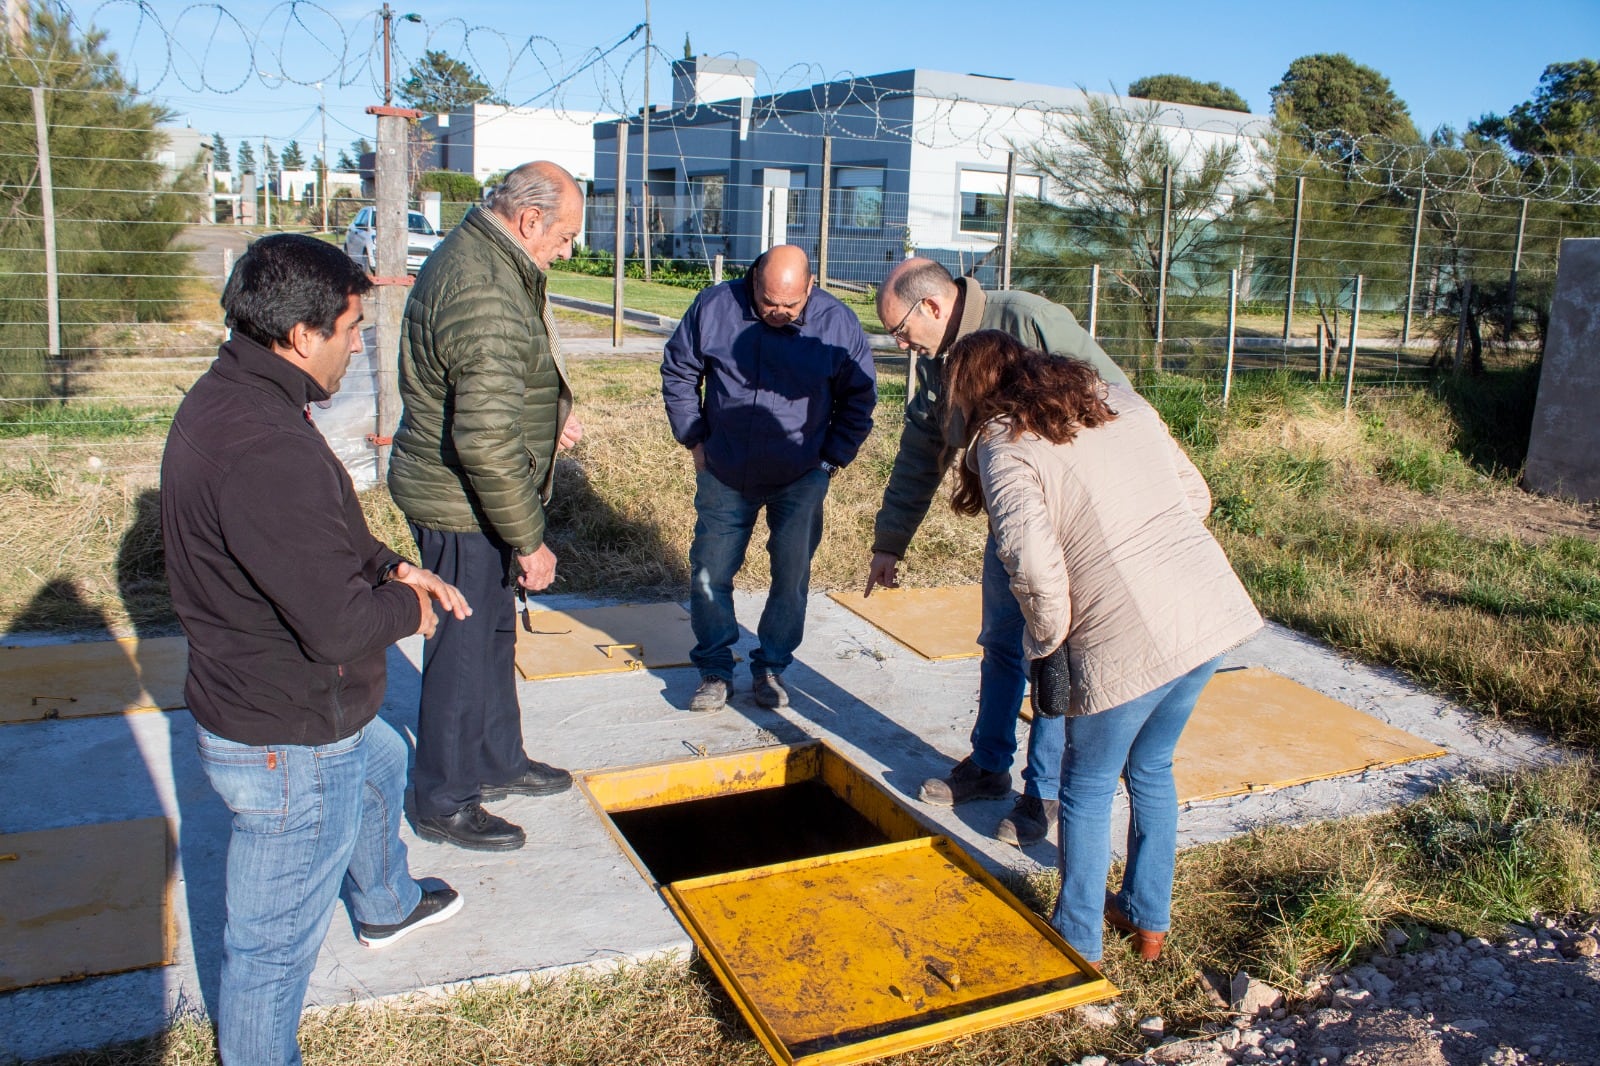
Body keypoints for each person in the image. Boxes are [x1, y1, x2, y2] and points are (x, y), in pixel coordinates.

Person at [161, 233, 471, 1065]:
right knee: (268, 952)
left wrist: (391, 563)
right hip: (286, 738)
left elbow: (321, 534)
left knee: (376, 760)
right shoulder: (267, 450)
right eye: (352, 330)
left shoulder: (236, 399)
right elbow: (337, 626)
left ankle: (387, 901)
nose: (358, 346)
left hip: (285, 709)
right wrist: (411, 609)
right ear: (301, 335)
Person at [942, 329, 1262, 968]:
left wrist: (1048, 640)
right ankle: (1147, 922)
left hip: (1126, 637)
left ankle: (1079, 936)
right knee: (1150, 769)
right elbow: (1194, 497)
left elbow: (1031, 566)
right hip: (1205, 613)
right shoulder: (1117, 400)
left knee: (1085, 786)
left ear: (974, 391)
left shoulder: (1007, 446)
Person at [866, 257, 1132, 847]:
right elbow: (920, 450)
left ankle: (1042, 796)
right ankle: (989, 767)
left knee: (1056, 659)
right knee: (1002, 646)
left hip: (1067, 525)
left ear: (931, 307)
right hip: (1010, 525)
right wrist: (890, 543)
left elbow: (1117, 403)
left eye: (900, 329)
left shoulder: (1030, 320)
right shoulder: (937, 362)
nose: (901, 343)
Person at [388, 161, 584, 850]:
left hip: (473, 497)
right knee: (464, 649)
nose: (566, 252)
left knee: (493, 633)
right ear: (530, 220)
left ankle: (497, 758)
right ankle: (444, 797)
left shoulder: (490, 258)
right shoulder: (487, 289)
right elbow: (484, 440)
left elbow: (496, 393)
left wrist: (548, 418)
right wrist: (530, 541)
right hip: (462, 503)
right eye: (564, 237)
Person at [662, 245, 877, 711]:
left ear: (811, 287)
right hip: (724, 469)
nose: (778, 312)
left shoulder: (838, 324)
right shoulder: (714, 306)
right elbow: (680, 371)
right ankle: (716, 669)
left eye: (790, 305)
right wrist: (694, 439)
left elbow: (860, 399)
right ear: (754, 279)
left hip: (801, 475)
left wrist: (829, 462)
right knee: (709, 570)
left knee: (791, 575)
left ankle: (773, 667)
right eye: (767, 302)